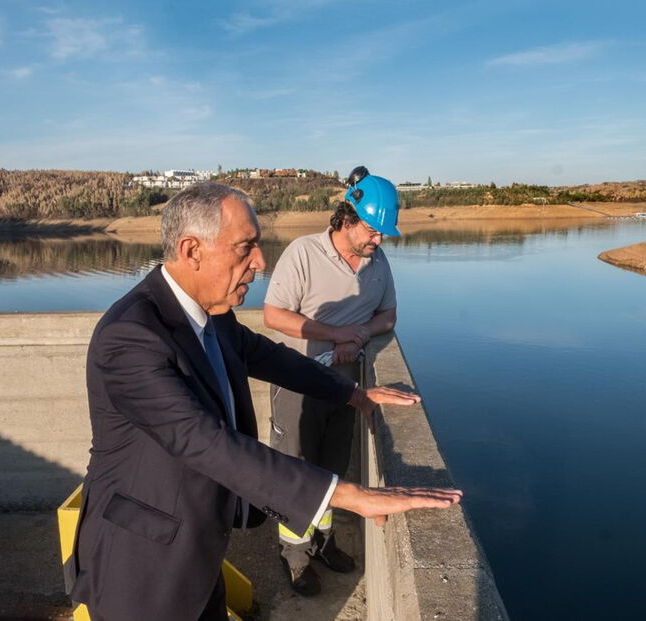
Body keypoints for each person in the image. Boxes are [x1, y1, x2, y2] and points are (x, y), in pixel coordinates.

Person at [67, 182, 461, 620]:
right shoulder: (130, 337)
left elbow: (271, 357)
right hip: (142, 567)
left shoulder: (211, 315)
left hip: (197, 551)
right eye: (245, 247)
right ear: (192, 250)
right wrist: (351, 495)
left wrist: (354, 394)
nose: (260, 262)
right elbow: (203, 440)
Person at [263, 166, 401, 595]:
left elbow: (388, 316)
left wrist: (357, 335)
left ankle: (324, 542)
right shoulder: (303, 253)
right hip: (299, 380)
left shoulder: (378, 262)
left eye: (382, 234)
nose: (379, 240)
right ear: (347, 218)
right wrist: (335, 334)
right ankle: (294, 555)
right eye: (373, 231)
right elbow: (274, 315)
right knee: (296, 467)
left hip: (346, 383)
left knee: (332, 467)